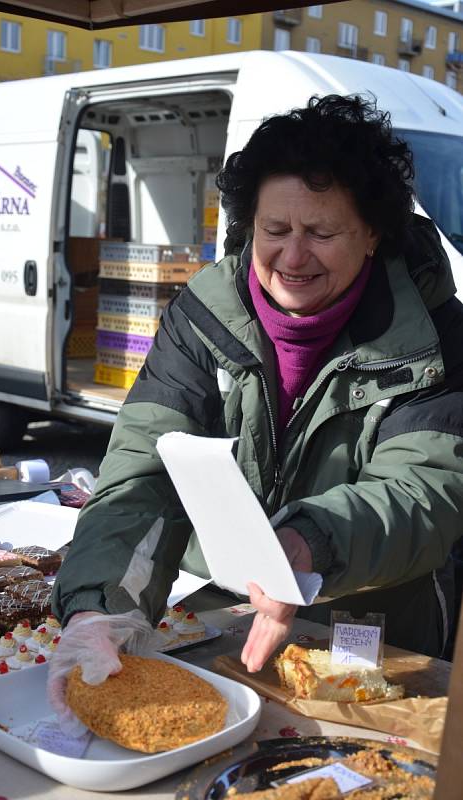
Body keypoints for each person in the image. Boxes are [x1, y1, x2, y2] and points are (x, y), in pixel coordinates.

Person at [48, 94, 463, 722]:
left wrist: (307, 543)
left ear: (373, 233)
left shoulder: (434, 336)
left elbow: (426, 491)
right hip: (223, 614)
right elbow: (146, 470)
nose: (293, 259)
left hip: (372, 627)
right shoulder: (203, 316)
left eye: (322, 233)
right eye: (275, 231)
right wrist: (102, 606)